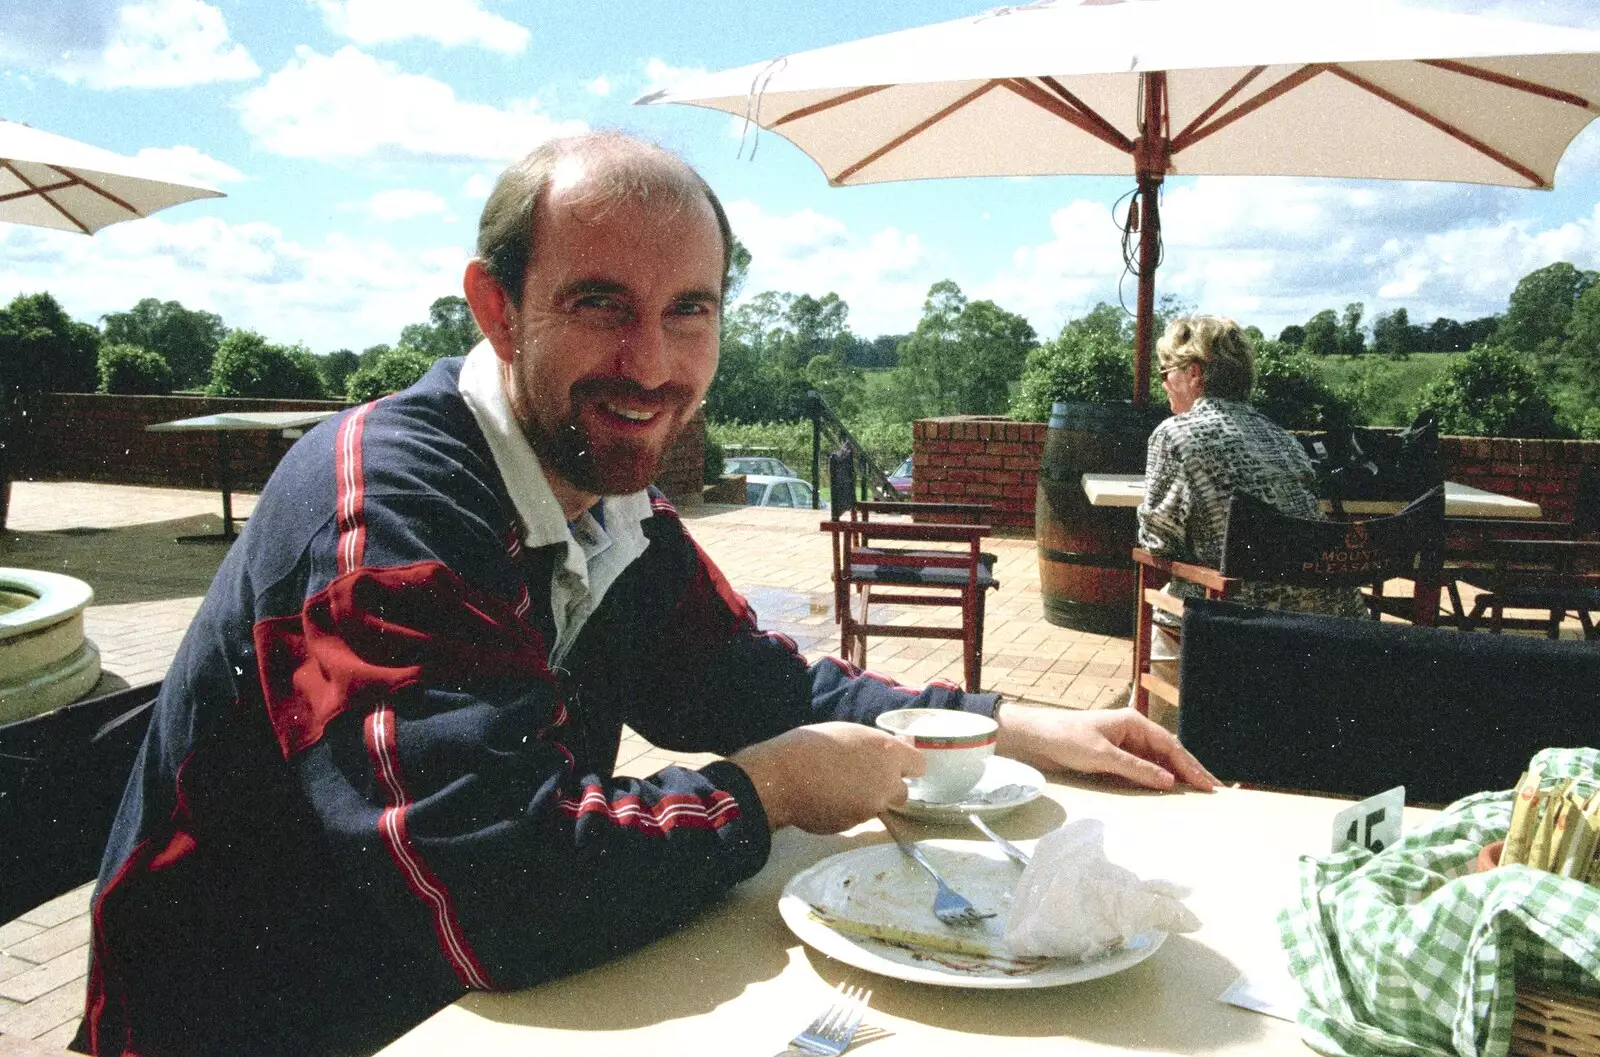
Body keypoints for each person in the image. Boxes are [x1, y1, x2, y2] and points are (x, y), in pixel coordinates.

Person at [78, 132, 1214, 1057]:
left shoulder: (597, 498)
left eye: (690, 309)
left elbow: (752, 678)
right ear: (497, 306)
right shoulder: (393, 513)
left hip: (450, 1003)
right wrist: (767, 788)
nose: (654, 362)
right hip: (274, 1024)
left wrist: (1004, 723)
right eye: (600, 303)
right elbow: (500, 895)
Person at [1136, 316, 1366, 720]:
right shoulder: (1283, 439)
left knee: (1166, 612)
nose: (1163, 384)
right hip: (1312, 622)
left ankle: (1161, 742)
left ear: (1194, 373)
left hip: (1233, 622)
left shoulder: (1175, 434)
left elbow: (1158, 543)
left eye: (1165, 372)